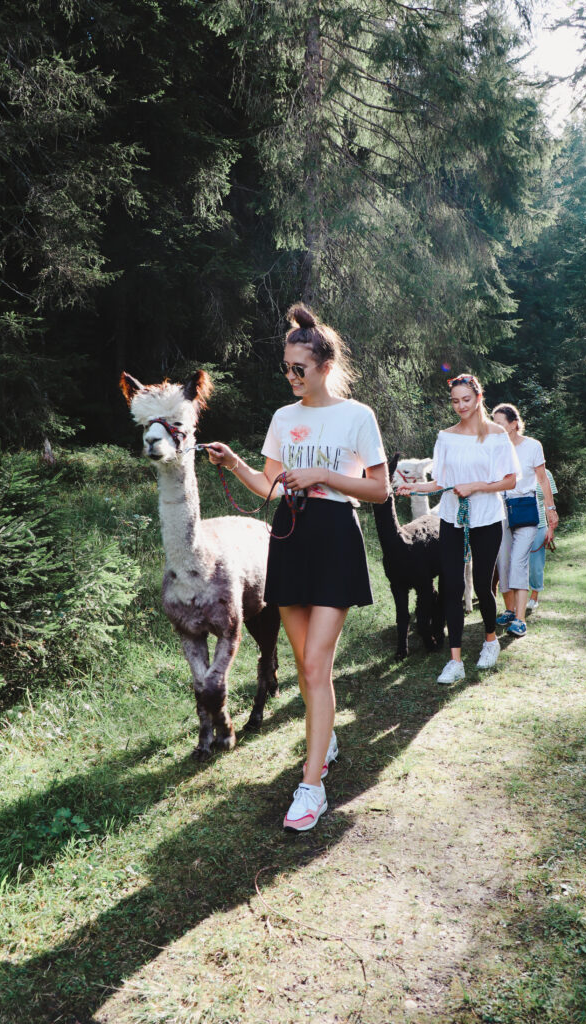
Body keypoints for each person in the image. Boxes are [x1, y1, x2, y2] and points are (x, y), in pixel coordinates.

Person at [206, 305, 389, 832]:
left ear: (324, 366)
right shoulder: (283, 419)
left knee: (315, 666)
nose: (290, 376)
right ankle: (322, 735)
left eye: (298, 368)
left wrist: (322, 475)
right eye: (285, 367)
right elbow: (269, 487)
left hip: (334, 537)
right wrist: (236, 464)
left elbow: (379, 489)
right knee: (306, 666)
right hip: (287, 537)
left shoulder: (358, 416)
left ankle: (312, 787)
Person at [396, 374, 519, 683]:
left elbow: (510, 480)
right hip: (452, 519)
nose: (460, 406)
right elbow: (440, 482)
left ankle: (490, 640)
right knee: (452, 586)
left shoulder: (497, 436)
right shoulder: (446, 437)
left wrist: (475, 486)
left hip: (487, 519)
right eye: (455, 401)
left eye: (466, 399)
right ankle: (455, 660)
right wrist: (412, 488)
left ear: (478, 398)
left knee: (480, 584)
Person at [491, 404, 559, 637]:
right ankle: (510, 610)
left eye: (499, 423)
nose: (495, 428)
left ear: (513, 424)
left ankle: (520, 620)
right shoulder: (492, 448)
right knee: (504, 563)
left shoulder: (532, 446)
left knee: (519, 562)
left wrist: (551, 510)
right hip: (499, 510)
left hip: (525, 509)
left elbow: (542, 480)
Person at [528, 468, 558, 610]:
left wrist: (550, 528)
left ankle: (534, 595)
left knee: (536, 565)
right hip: (516, 525)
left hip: (539, 524)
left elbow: (548, 502)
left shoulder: (546, 474)